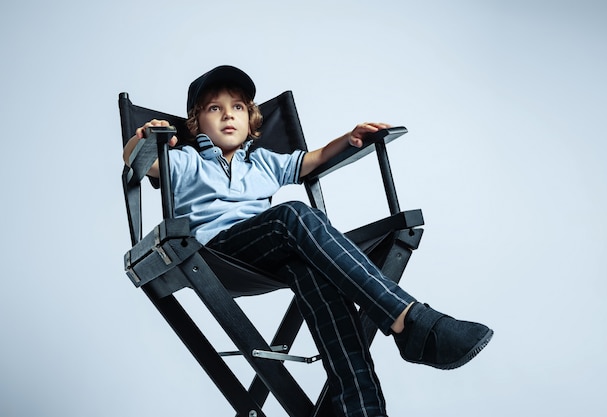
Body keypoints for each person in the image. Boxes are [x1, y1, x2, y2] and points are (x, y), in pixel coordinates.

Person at [123, 65, 493, 417]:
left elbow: (312, 160)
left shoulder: (263, 162)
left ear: (251, 119)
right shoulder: (185, 161)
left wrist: (347, 140)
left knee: (312, 271)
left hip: (267, 251)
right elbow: (136, 162)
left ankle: (362, 409)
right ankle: (410, 321)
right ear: (196, 122)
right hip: (214, 253)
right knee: (295, 213)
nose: (228, 115)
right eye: (214, 108)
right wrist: (144, 138)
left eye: (237, 107)